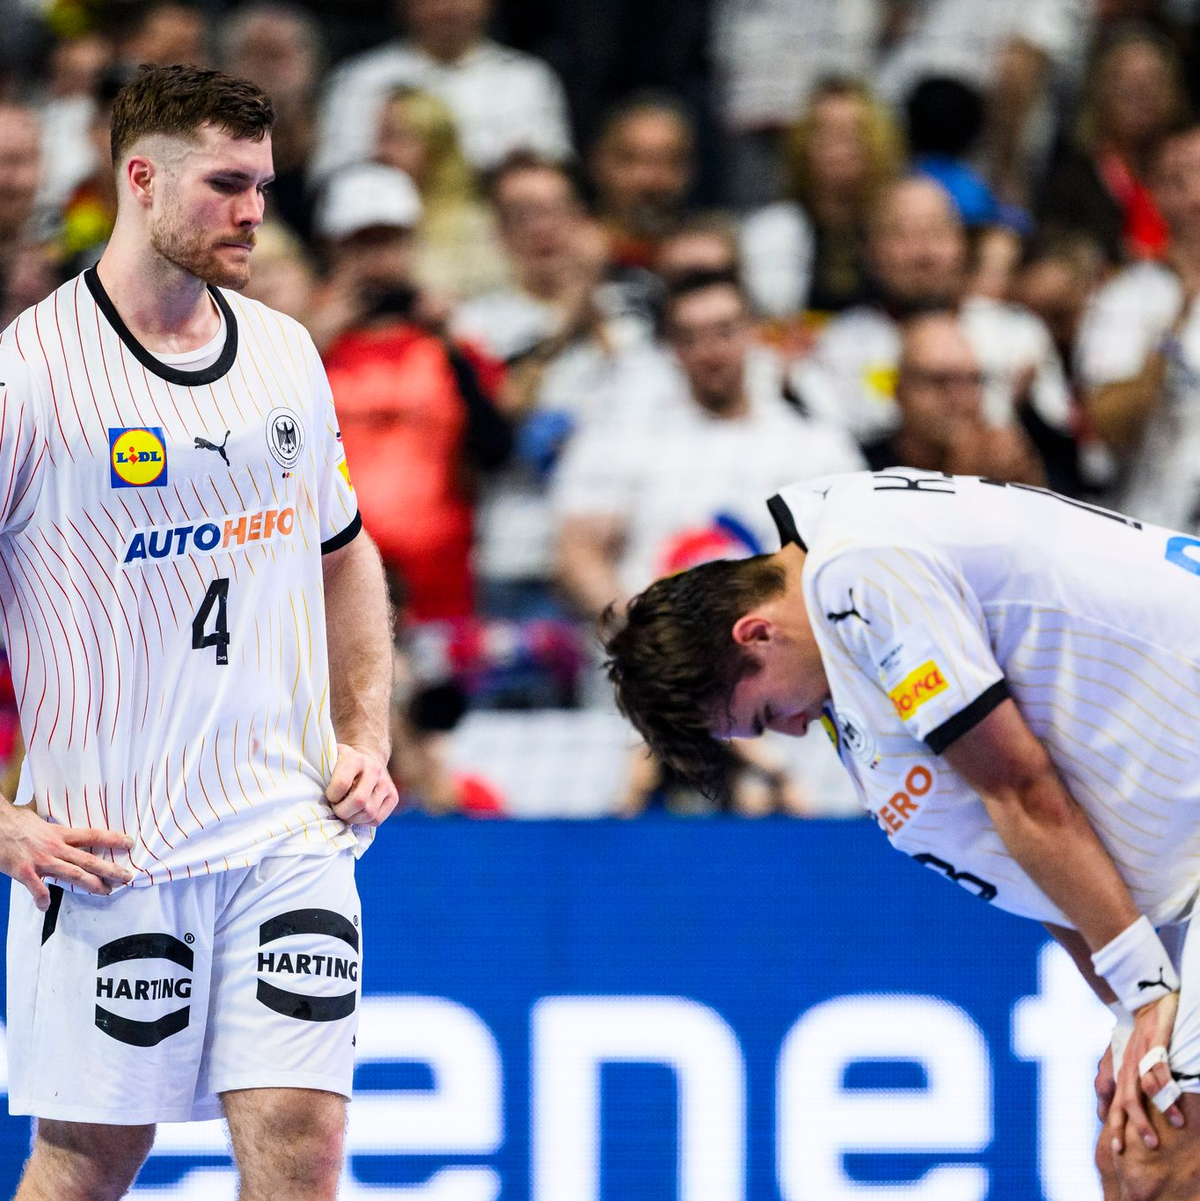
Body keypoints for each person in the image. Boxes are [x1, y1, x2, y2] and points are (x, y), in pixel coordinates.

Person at [0, 63, 397, 1198]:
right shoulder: (28, 381)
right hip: (112, 849)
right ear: (141, 180)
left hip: (288, 828)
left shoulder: (283, 352)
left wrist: (365, 729)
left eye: (264, 184)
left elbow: (346, 552)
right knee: (89, 1160)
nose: (254, 211)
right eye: (227, 184)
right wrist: (2, 821)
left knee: (301, 1137)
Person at [602, 467, 1200, 1201]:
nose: (790, 731)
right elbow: (1021, 857)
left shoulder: (861, 570)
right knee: (1127, 1156)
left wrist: (1146, 993)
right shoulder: (841, 640)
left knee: (1159, 1161)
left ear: (756, 632)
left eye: (764, 714)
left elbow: (1021, 791)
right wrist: (1126, 1009)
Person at [316, 161, 512, 622]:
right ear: (334, 249)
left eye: (389, 241)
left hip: (441, 577)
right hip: (336, 573)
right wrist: (315, 337)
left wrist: (450, 341)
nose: (378, 259)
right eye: (362, 243)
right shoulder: (302, 342)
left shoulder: (449, 338)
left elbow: (496, 447)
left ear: (412, 243)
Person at [1077, 118, 1200, 532]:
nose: (1196, 196)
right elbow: (1109, 425)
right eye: (1179, 180)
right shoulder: (1126, 296)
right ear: (1157, 196)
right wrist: (1178, 318)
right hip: (1156, 530)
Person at [310, 0, 572, 182]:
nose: (448, 6)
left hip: (498, 225)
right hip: (393, 221)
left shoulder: (528, 78)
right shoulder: (358, 79)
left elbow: (555, 171)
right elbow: (331, 177)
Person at [863, 309, 1045, 485]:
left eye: (973, 379)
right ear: (899, 391)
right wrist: (963, 482)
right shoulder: (860, 470)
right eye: (940, 381)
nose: (961, 398)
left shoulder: (1005, 460)